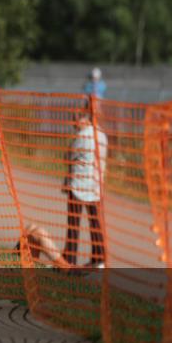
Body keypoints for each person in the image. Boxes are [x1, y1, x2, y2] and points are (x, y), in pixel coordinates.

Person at [63, 111, 108, 267]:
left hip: (79, 186)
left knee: (73, 225)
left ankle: (69, 260)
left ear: (84, 119)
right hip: (96, 186)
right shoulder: (102, 135)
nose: (74, 124)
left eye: (75, 120)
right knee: (95, 224)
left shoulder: (82, 136)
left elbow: (68, 157)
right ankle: (99, 259)